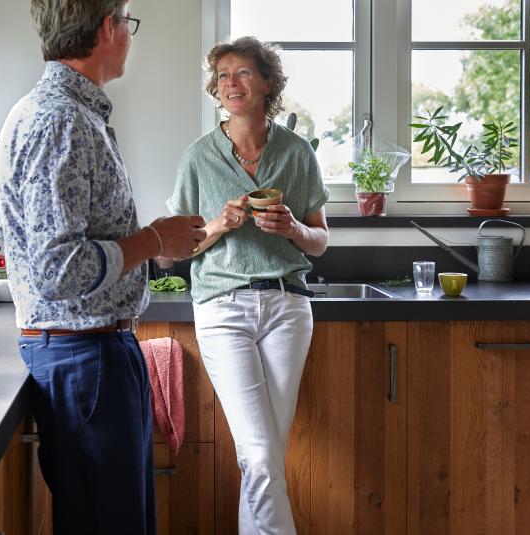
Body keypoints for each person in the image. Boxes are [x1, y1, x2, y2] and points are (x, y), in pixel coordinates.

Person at [0, 1, 207, 533]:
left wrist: (153, 246)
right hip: (84, 358)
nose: (130, 35)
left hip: (93, 354)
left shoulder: (71, 113)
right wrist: (155, 238)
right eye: (127, 22)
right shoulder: (59, 120)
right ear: (108, 27)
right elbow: (59, 269)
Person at [163, 36, 329, 534]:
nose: (230, 84)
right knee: (259, 453)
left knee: (264, 453)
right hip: (222, 308)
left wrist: (292, 228)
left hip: (287, 306)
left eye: (243, 73)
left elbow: (320, 241)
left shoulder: (297, 152)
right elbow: (173, 252)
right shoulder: (198, 158)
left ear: (268, 83)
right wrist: (218, 225)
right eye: (223, 76)